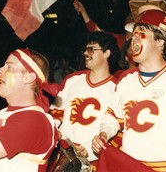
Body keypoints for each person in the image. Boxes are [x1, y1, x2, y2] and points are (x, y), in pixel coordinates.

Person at [92, 9, 166, 171]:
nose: (133, 39)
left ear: (160, 41)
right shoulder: (125, 78)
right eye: (133, 33)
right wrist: (104, 133)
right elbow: (114, 117)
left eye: (141, 33)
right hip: (127, 167)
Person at [49, 31, 120, 171]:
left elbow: (117, 132)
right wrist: (52, 132)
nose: (86, 54)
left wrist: (89, 149)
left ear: (107, 53)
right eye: (85, 50)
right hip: (61, 157)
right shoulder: (72, 80)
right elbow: (55, 113)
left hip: (92, 163)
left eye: (91, 49)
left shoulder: (117, 89)